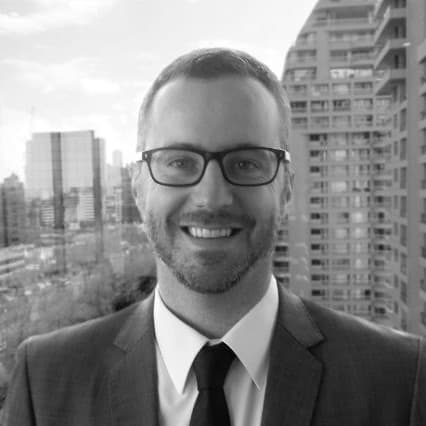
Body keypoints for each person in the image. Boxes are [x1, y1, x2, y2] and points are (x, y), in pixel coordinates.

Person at [3, 48, 426, 426]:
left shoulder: (400, 379)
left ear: (287, 187)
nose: (211, 197)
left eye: (246, 163)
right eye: (179, 162)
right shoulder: (46, 380)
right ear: (137, 187)